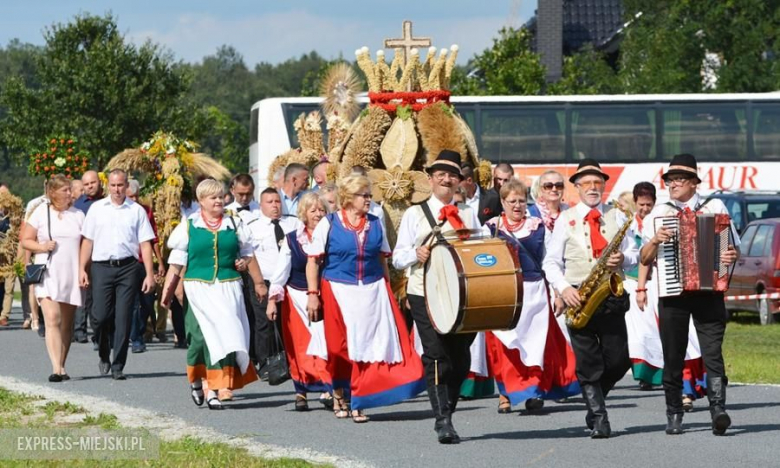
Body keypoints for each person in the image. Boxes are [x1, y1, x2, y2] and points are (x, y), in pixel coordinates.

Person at [307, 175, 425, 424]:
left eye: (370, 195)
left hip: (372, 290)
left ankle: (359, 401)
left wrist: (390, 291)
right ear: (349, 197)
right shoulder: (329, 223)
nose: (369, 199)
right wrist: (313, 295)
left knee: (369, 346)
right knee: (339, 347)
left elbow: (382, 260)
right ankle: (339, 392)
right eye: (364, 195)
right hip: (337, 289)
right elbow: (313, 262)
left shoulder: (375, 223)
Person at [639, 153, 739, 436]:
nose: (672, 184)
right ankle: (674, 412)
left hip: (709, 291)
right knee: (673, 355)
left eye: (679, 179)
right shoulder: (659, 212)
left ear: (694, 182)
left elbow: (733, 247)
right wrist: (655, 240)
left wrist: (730, 255)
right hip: (673, 293)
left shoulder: (715, 206)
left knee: (712, 353)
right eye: (669, 180)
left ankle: (718, 409)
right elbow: (644, 258)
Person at [393, 150, 484, 444]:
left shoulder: (468, 213)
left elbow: (481, 250)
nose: (446, 179)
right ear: (430, 179)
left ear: (460, 181)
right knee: (436, 355)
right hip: (424, 292)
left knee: (460, 359)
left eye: (452, 175)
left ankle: (448, 409)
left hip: (462, 295)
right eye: (440, 174)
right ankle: (442, 420)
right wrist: (415, 254)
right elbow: (397, 257)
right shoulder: (414, 213)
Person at [542, 158, 638, 439]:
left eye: (597, 182)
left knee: (618, 361)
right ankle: (598, 417)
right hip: (578, 296)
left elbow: (634, 253)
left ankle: (594, 402)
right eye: (586, 183)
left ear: (604, 186)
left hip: (610, 295)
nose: (593, 187)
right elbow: (550, 262)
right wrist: (564, 288)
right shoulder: (565, 219)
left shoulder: (618, 215)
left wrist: (624, 258)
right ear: (577, 187)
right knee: (588, 362)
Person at [163, 179, 266, 410]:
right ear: (201, 201)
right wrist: (168, 291)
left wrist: (256, 279)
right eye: (213, 197)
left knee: (223, 338)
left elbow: (248, 253)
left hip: (227, 287)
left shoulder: (234, 222)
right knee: (199, 339)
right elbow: (177, 263)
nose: (219, 201)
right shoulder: (190, 225)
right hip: (198, 289)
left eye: (221, 196)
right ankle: (196, 381)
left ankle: (214, 390)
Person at [485, 178, 580, 413]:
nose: (517, 205)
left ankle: (534, 391)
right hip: (505, 294)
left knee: (536, 345)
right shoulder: (490, 228)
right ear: (503, 202)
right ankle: (505, 392)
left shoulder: (538, 226)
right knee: (506, 345)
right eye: (512, 201)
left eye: (521, 201)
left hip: (535, 292)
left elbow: (549, 261)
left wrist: (557, 292)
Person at [629, 183, 707, 407]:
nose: (645, 209)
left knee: (692, 337)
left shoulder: (702, 210)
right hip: (664, 286)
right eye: (641, 205)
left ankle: (694, 385)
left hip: (693, 287)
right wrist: (641, 288)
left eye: (649, 204)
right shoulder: (655, 219)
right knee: (672, 339)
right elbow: (645, 258)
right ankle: (683, 391)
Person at [79, 169, 156, 380]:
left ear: (126, 186)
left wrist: (149, 274)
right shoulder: (97, 209)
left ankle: (118, 365)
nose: (117, 189)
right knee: (100, 316)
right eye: (113, 185)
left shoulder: (136, 210)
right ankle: (104, 352)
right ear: (108, 186)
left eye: (120, 185)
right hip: (101, 267)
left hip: (128, 268)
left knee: (123, 317)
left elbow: (145, 244)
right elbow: (87, 241)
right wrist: (82, 269)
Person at [267, 192, 333, 411]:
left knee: (325, 343)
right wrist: (272, 301)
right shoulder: (292, 239)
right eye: (313, 210)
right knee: (299, 346)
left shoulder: (332, 237)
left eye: (321, 210)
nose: (318, 214)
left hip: (325, 296)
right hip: (296, 297)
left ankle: (328, 387)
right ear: (303, 213)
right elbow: (281, 271)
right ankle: (300, 391)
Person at [20, 175, 85, 382]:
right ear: (53, 193)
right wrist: (42, 247)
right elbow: (25, 240)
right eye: (65, 190)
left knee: (66, 323)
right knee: (52, 318)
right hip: (48, 271)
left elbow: (86, 243)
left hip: (71, 272)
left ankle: (62, 365)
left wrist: (84, 269)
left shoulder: (78, 215)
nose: (70, 193)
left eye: (70, 189)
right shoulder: (41, 212)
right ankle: (56, 368)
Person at [245, 188, 301, 377]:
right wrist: (257, 282)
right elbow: (247, 254)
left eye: (277, 201)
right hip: (264, 281)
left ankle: (290, 361)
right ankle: (265, 364)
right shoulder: (253, 227)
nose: (275, 206)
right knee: (264, 323)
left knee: (288, 321)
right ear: (261, 205)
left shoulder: (293, 223)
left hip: (289, 280)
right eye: (269, 202)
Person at [126, 180, 165, 354]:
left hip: (146, 261)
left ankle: (139, 330)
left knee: (148, 301)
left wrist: (160, 262)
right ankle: (137, 338)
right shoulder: (119, 212)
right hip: (129, 262)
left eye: (136, 196)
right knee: (134, 302)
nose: (134, 199)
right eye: (130, 196)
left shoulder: (145, 210)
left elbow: (153, 238)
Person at [73, 170, 105, 345]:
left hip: (102, 255)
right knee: (83, 293)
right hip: (84, 255)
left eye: (93, 183)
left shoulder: (108, 202)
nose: (90, 186)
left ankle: (99, 331)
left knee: (98, 295)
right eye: (86, 184)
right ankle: (79, 329)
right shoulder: (78, 206)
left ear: (99, 182)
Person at [529, 170, 569, 243]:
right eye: (548, 186)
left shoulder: (569, 212)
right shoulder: (530, 214)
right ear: (540, 189)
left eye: (559, 185)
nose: (554, 189)